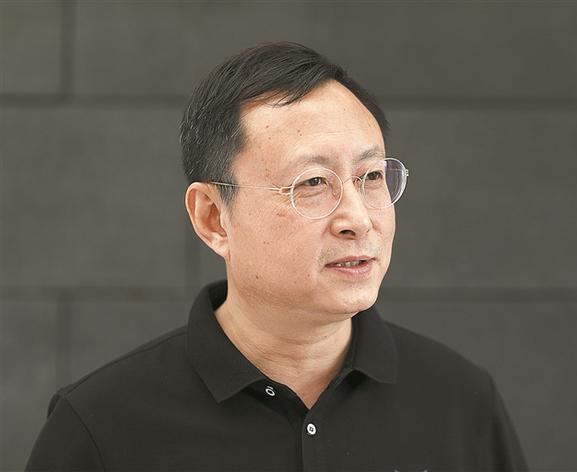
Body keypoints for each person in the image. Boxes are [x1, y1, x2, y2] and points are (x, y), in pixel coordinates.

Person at [26, 42, 528, 471]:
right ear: (213, 218)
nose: (358, 219)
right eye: (312, 183)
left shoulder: (461, 402)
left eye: (371, 177)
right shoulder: (103, 427)